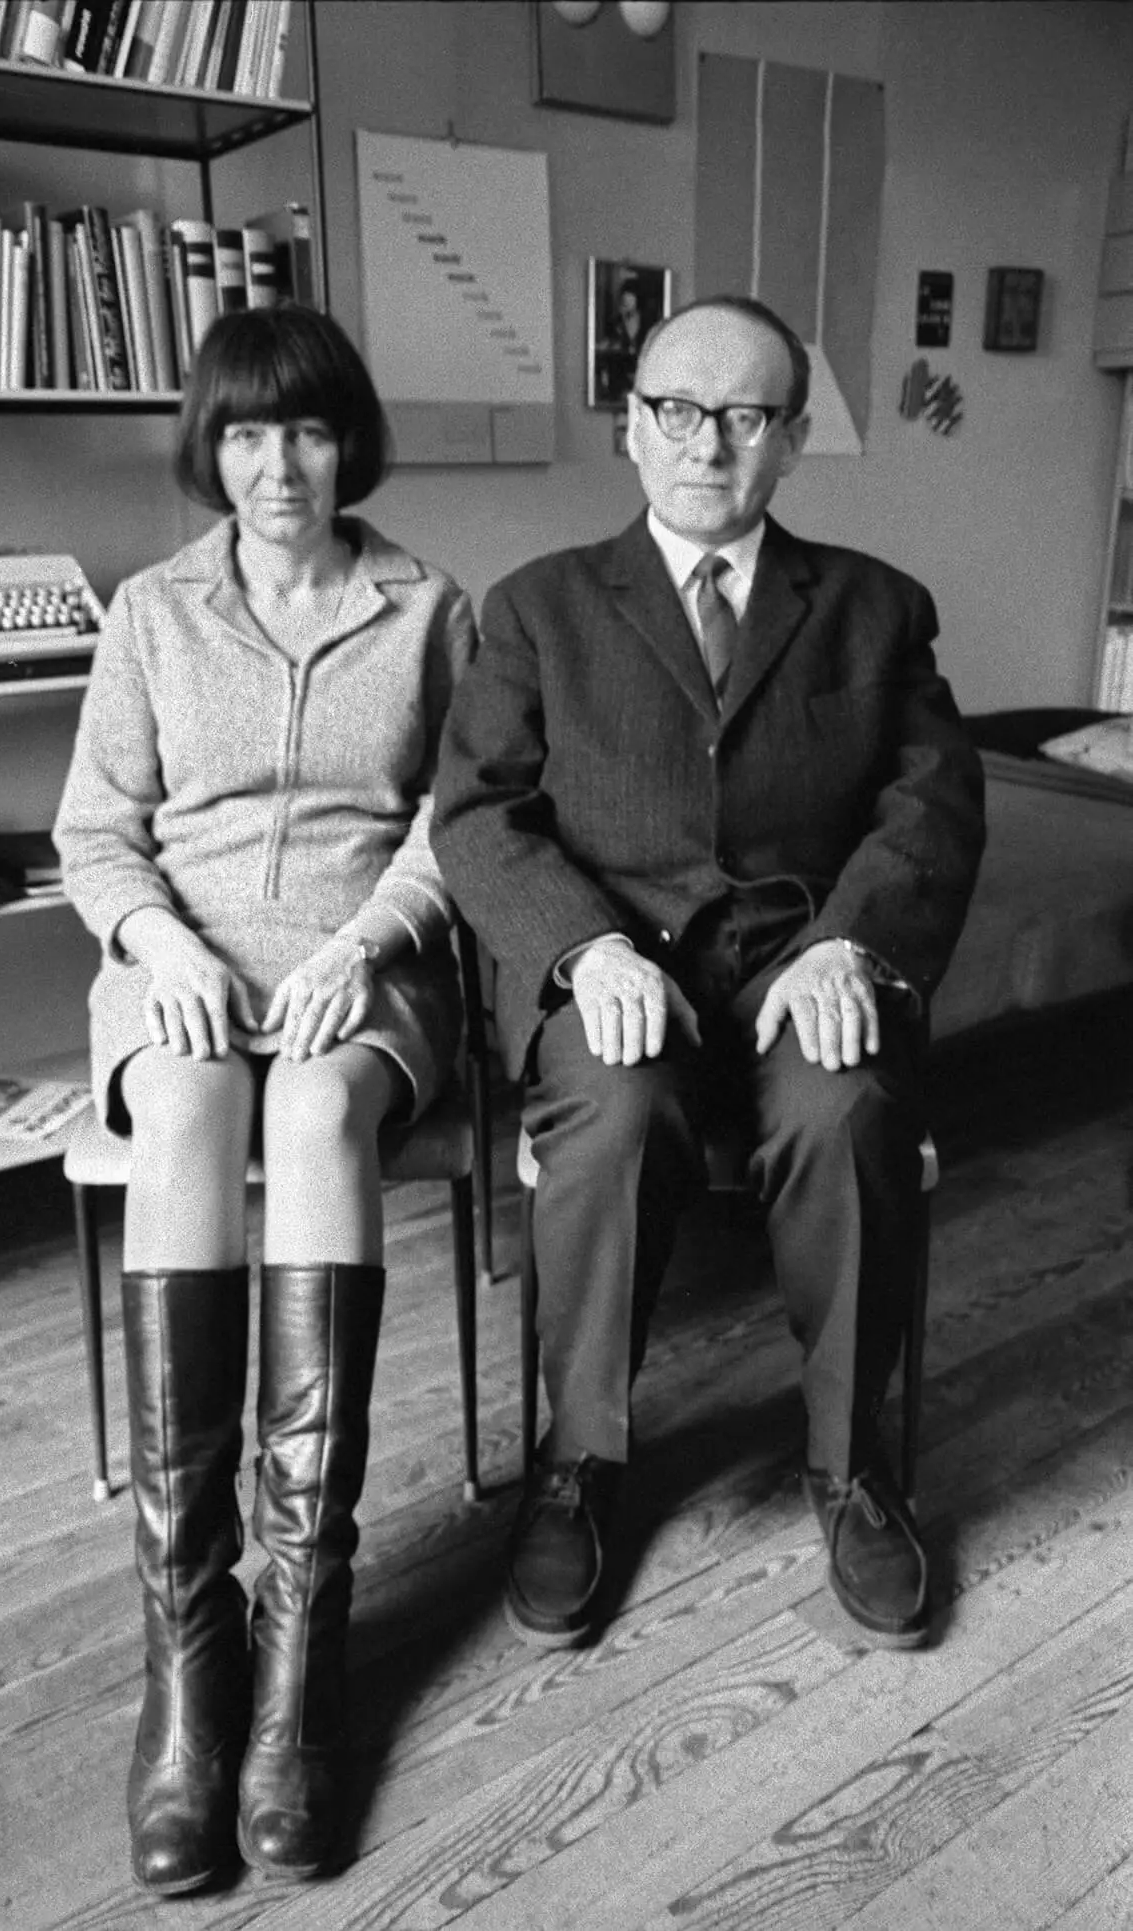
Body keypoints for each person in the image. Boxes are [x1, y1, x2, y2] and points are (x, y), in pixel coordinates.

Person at [433, 295, 985, 1656]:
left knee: (847, 1107)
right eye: (677, 410)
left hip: (804, 962)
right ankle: (577, 1463)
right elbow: (479, 815)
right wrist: (583, 949)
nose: (707, 444)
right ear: (631, 426)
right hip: (619, 963)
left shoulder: (874, 607)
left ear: (791, 439)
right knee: (614, 1111)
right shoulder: (538, 607)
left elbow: (932, 801)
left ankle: (849, 1465)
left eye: (745, 416)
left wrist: (852, 941)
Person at [54, 306, 475, 1894]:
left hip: (366, 968)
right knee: (186, 1110)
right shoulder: (153, 612)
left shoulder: (428, 607)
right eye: (243, 433)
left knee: (307, 1113)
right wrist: (157, 944)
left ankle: (301, 1638)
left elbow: (459, 822)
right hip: (181, 963)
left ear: (346, 440)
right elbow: (97, 831)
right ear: (209, 448)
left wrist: (368, 945)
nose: (276, 465)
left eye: (303, 429)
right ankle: (189, 1645)